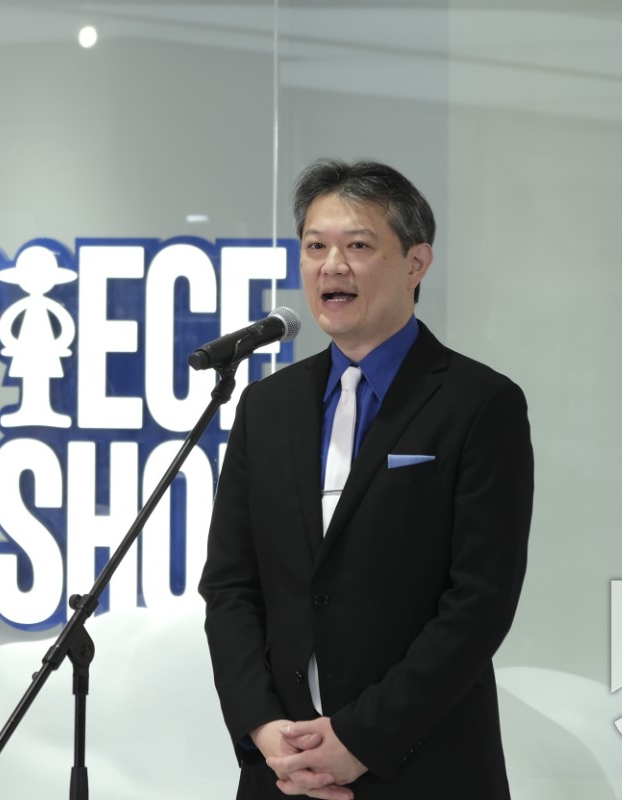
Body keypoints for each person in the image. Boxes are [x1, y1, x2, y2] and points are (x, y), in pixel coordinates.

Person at [199, 159, 534, 799]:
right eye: (315, 247)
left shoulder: (479, 404)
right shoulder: (267, 407)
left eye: (357, 246)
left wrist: (360, 740)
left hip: (423, 767)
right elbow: (231, 586)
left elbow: (479, 601)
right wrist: (263, 727)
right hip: (282, 772)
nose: (332, 266)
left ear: (416, 263)